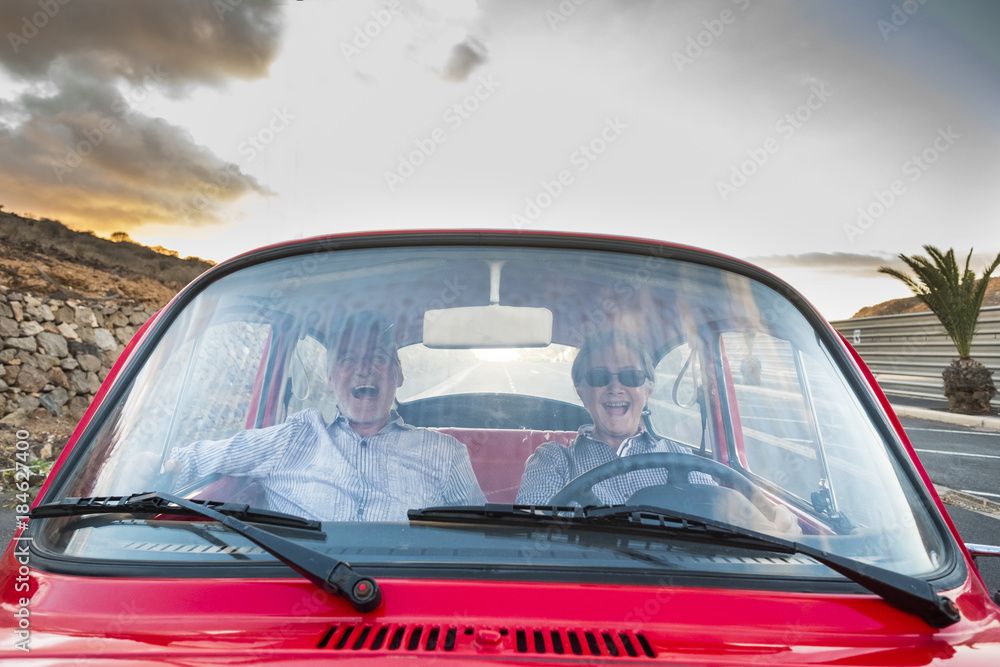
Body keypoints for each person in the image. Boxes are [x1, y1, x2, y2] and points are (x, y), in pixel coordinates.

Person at [139, 310, 486, 521]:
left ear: (398, 374)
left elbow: (479, 537)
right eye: (348, 359)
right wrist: (147, 465)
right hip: (309, 598)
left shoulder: (445, 453)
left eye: (378, 357)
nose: (363, 369)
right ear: (331, 379)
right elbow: (193, 460)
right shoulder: (295, 437)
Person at [517, 330, 800, 535]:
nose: (615, 388)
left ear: (648, 389)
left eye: (631, 377)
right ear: (580, 390)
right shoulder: (553, 459)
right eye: (599, 377)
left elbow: (718, 523)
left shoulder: (680, 457)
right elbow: (533, 536)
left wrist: (776, 530)